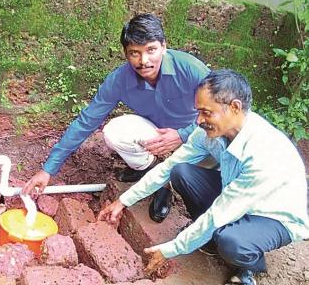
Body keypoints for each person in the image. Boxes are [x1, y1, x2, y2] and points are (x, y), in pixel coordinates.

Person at [98, 69, 309, 285]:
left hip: (272, 215)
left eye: (206, 113)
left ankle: (248, 266)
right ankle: (210, 237)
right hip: (235, 194)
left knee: (231, 241)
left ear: (235, 107)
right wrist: (123, 201)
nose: (199, 121)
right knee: (181, 172)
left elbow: (222, 211)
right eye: (198, 112)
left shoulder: (262, 154)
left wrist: (171, 249)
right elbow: (168, 167)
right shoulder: (213, 133)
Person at [22, 13, 210, 222]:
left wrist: (182, 135)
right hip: (155, 136)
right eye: (134, 53)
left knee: (207, 157)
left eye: (151, 50)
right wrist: (48, 169)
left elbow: (220, 114)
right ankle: (158, 180)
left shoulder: (192, 69)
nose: (144, 61)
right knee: (114, 131)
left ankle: (174, 179)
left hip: (196, 133)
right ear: (125, 54)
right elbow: (87, 121)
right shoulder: (120, 79)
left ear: (164, 47)